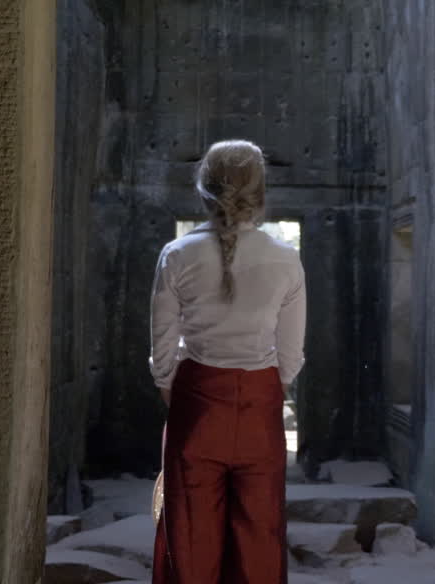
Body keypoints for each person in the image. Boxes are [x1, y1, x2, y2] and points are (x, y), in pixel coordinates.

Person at [149, 140, 306, 584]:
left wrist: (175, 387)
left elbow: (163, 349)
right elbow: (290, 358)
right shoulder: (286, 260)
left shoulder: (176, 254)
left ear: (203, 190)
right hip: (260, 404)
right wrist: (264, 388)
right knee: (259, 538)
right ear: (260, 192)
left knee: (191, 537)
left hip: (197, 403)